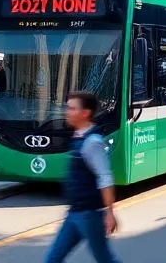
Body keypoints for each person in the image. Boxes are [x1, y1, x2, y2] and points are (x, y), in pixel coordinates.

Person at [43, 91, 120, 263]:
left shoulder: (93, 142)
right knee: (53, 259)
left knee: (105, 259)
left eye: (71, 108)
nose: (67, 112)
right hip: (75, 213)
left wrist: (109, 212)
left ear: (84, 113)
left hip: (89, 214)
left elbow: (105, 177)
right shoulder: (78, 137)